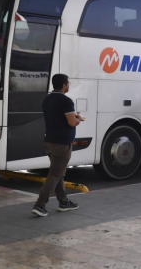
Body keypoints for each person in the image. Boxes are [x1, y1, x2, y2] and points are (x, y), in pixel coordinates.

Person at [31, 74, 84, 217]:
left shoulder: (47, 99)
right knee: (55, 174)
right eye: (68, 83)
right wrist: (78, 119)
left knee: (58, 172)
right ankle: (40, 205)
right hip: (62, 143)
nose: (69, 85)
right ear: (64, 85)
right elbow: (72, 122)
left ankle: (64, 202)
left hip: (49, 140)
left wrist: (74, 117)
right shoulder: (66, 101)